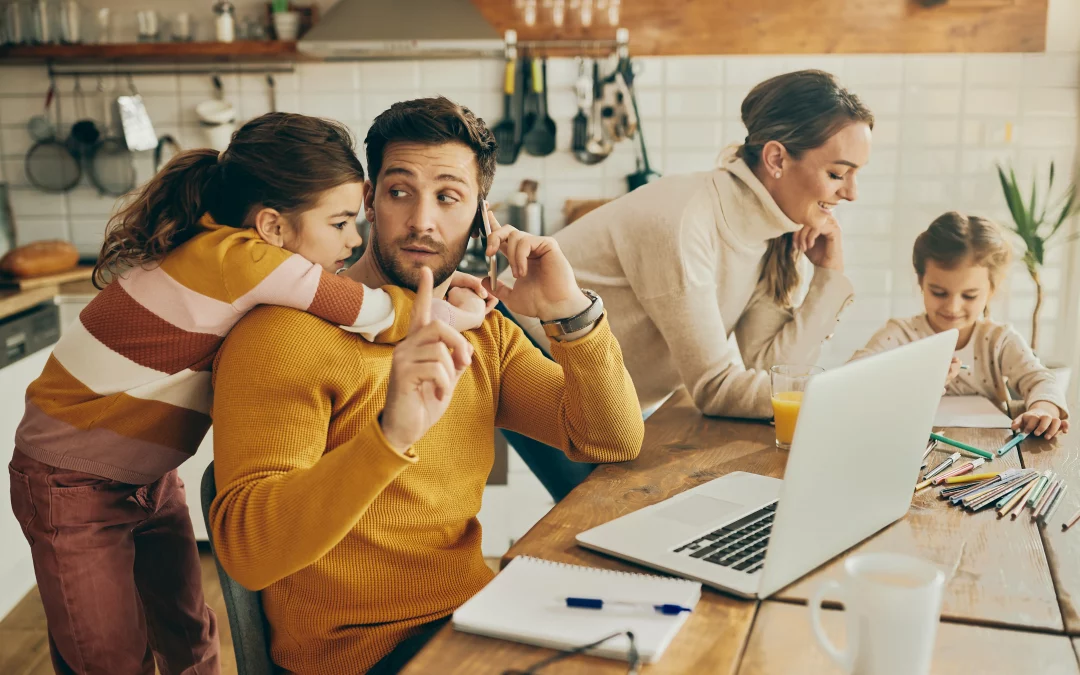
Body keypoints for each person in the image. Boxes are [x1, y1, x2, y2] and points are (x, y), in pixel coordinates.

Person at [7, 112, 490, 675]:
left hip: (144, 475)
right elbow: (372, 312)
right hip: (68, 480)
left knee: (188, 631)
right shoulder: (243, 260)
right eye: (338, 224)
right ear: (272, 227)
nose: (355, 239)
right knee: (107, 655)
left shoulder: (233, 251)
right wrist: (461, 312)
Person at [208, 97, 644, 674]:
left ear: (482, 216)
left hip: (474, 619)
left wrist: (568, 311)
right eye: (399, 192)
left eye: (448, 196)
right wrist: (389, 436)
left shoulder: (482, 331)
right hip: (359, 655)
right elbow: (248, 553)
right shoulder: (282, 333)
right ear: (368, 200)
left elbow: (611, 440)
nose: (421, 221)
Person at [505, 69, 873, 499]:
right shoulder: (685, 219)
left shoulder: (770, 233)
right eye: (837, 174)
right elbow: (715, 389)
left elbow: (772, 369)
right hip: (532, 355)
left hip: (606, 387)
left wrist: (828, 278)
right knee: (594, 513)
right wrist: (847, 397)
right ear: (776, 159)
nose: (852, 193)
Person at [850, 211, 1069, 440]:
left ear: (991, 290)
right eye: (939, 292)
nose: (953, 307)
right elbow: (852, 379)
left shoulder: (999, 340)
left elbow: (1041, 380)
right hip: (907, 442)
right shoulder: (900, 334)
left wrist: (1043, 409)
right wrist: (914, 378)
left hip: (990, 448)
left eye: (970, 296)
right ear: (921, 281)